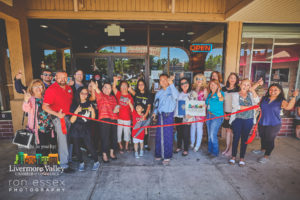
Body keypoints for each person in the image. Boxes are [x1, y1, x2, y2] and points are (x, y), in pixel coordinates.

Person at [254, 84, 299, 163]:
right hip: (262, 121)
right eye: (271, 89)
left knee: (269, 139)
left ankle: (266, 156)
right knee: (263, 137)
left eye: (276, 90)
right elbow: (258, 106)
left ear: (280, 91)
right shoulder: (264, 98)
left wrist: (294, 97)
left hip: (273, 123)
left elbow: (288, 107)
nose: (273, 91)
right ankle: (262, 149)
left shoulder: (281, 100)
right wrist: (257, 108)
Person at [42, 70, 74, 173]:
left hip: (69, 117)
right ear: (55, 77)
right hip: (59, 118)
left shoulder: (69, 88)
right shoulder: (51, 89)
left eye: (65, 77)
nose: (63, 80)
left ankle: (68, 160)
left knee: (69, 139)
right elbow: (45, 106)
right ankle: (64, 165)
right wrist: (57, 114)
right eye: (60, 77)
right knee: (63, 141)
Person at [228, 79, 260, 167]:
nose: (245, 86)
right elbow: (236, 106)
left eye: (248, 85)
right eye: (244, 84)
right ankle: (233, 157)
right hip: (237, 119)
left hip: (249, 120)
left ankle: (242, 158)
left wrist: (253, 90)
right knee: (236, 138)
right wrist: (250, 107)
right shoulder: (235, 94)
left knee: (244, 139)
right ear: (240, 84)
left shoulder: (250, 94)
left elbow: (257, 100)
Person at [69, 87, 100, 171]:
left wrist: (92, 110)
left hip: (86, 128)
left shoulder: (89, 104)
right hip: (75, 128)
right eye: (82, 93)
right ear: (78, 93)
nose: (84, 95)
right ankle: (81, 163)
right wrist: (76, 111)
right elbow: (72, 120)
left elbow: (93, 118)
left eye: (86, 93)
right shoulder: (74, 104)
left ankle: (96, 161)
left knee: (89, 146)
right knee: (76, 147)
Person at [23, 79, 54, 157]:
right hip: (38, 128)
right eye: (35, 86)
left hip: (48, 126)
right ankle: (40, 166)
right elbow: (26, 109)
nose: (38, 88)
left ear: (43, 87)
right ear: (31, 88)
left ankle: (46, 163)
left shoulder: (45, 97)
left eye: (40, 86)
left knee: (47, 147)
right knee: (40, 148)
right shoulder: (31, 99)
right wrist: (26, 100)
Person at [152, 74, 179, 165]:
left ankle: (167, 156)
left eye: (164, 79)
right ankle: (158, 154)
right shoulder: (158, 93)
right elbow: (156, 105)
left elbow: (176, 97)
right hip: (160, 116)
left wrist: (171, 84)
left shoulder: (172, 90)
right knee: (159, 135)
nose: (162, 81)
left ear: (168, 80)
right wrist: (154, 113)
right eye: (161, 80)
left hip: (168, 116)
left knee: (167, 136)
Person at [92, 81, 119, 163]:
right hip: (104, 118)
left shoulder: (113, 98)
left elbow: (116, 108)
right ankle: (104, 154)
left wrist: (116, 109)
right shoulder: (100, 96)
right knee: (105, 137)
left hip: (114, 118)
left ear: (111, 89)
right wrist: (96, 88)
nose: (107, 89)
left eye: (109, 88)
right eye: (105, 87)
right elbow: (97, 91)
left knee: (113, 137)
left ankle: (111, 153)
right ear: (102, 89)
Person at [128, 79, 153, 151]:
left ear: (145, 85)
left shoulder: (148, 94)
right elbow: (131, 91)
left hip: (144, 116)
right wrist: (129, 88)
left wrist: (145, 115)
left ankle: (145, 144)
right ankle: (136, 145)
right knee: (136, 129)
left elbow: (149, 106)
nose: (140, 86)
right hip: (136, 116)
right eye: (139, 84)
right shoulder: (136, 94)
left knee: (145, 130)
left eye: (142, 84)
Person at [112, 76, 134, 153]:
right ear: (120, 87)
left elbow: (132, 108)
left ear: (128, 87)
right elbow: (114, 88)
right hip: (119, 118)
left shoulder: (130, 96)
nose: (124, 87)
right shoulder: (118, 94)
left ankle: (127, 146)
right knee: (119, 132)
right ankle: (120, 145)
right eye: (122, 85)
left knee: (127, 133)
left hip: (127, 118)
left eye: (125, 85)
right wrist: (115, 80)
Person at [221, 73, 240, 156]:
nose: (232, 79)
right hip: (225, 112)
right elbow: (221, 102)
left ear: (236, 80)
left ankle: (231, 150)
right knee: (227, 131)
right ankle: (227, 148)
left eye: (234, 78)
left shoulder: (238, 89)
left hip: (234, 113)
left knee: (233, 132)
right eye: (231, 77)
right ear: (228, 79)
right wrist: (223, 113)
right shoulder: (223, 89)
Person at [174, 78, 193, 156]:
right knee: (179, 133)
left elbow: (195, 105)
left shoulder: (192, 94)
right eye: (182, 84)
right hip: (178, 116)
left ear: (188, 83)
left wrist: (191, 114)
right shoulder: (178, 94)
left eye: (185, 82)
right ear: (180, 86)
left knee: (186, 133)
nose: (184, 85)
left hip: (187, 117)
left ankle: (185, 149)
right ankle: (179, 147)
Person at [206, 79, 224, 157]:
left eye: (214, 84)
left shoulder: (220, 93)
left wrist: (220, 96)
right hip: (208, 116)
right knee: (209, 134)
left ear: (217, 86)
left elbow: (221, 99)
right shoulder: (209, 95)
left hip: (216, 116)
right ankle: (210, 150)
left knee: (213, 135)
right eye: (211, 84)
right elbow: (206, 105)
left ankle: (215, 152)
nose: (212, 86)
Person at [190, 73, 208, 152]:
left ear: (203, 80)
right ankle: (192, 142)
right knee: (192, 127)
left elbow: (206, 101)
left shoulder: (205, 89)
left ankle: (197, 145)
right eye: (197, 79)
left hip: (200, 111)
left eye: (201, 79)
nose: (199, 81)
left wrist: (205, 107)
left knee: (199, 128)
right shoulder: (193, 88)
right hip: (193, 110)